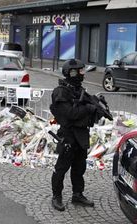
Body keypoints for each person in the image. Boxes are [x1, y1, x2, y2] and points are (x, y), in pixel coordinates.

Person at [49, 59, 99, 211]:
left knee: (79, 167)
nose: (83, 74)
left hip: (81, 135)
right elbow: (70, 113)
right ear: (72, 73)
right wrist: (88, 109)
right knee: (61, 168)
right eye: (80, 71)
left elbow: (90, 107)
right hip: (69, 136)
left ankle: (77, 194)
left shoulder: (78, 89)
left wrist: (97, 106)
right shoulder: (61, 91)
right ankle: (57, 196)